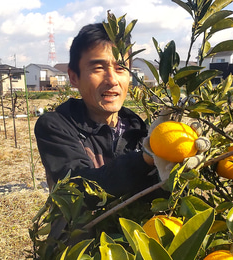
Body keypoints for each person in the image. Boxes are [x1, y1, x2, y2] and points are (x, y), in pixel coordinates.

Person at [34, 23, 158, 200]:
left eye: (120, 68)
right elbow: (80, 188)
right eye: (98, 68)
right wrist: (147, 157)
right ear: (74, 77)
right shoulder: (56, 126)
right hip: (84, 228)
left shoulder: (136, 126)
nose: (112, 80)